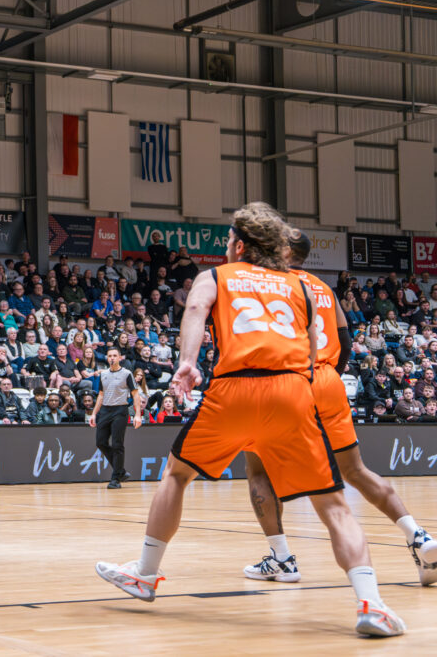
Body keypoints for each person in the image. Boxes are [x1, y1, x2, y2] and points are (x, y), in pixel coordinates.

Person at [95, 203, 406, 637]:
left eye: (227, 240)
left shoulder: (217, 276)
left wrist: (186, 362)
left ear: (239, 244)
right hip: (294, 393)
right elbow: (317, 347)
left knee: (177, 474)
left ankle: (145, 573)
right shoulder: (300, 288)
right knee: (333, 505)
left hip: (234, 390)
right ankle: (372, 604)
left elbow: (195, 311)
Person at [241, 231, 437, 588]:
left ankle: (282, 560)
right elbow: (345, 340)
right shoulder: (323, 288)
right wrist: (329, 375)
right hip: (329, 380)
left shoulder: (270, 283)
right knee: (356, 470)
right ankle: (419, 536)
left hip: (285, 382)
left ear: (283, 252)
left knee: (258, 471)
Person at [88, 347, 143, 489]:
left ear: (119, 358)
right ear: (107, 358)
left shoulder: (127, 374)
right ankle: (121, 471)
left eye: (114, 355)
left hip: (120, 410)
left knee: (117, 444)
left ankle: (115, 479)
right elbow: (100, 394)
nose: (112, 358)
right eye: (109, 355)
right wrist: (94, 413)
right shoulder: (104, 374)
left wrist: (137, 415)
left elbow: (136, 394)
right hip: (105, 410)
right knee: (100, 442)